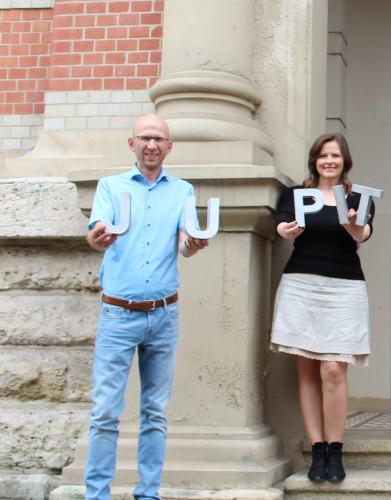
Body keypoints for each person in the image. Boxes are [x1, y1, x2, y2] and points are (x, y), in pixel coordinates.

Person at [83, 115, 209, 500]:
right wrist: (99, 238)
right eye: (144, 138)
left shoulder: (183, 190)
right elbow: (95, 233)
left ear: (169, 146)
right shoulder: (111, 186)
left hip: (163, 315)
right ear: (131, 143)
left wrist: (194, 244)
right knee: (105, 412)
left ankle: (148, 493)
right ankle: (97, 495)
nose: (151, 144)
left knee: (155, 412)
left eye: (158, 138)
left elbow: (185, 242)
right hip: (119, 313)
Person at [270, 133, 374, 483]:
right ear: (314, 160)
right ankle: (317, 450)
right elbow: (283, 226)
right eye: (323, 155)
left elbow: (363, 235)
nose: (329, 160)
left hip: (344, 288)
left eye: (336, 155)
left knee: (333, 369)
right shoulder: (296, 196)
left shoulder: (358, 198)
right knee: (308, 370)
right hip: (301, 285)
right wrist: (286, 229)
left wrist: (355, 227)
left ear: (345, 161)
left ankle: (335, 448)